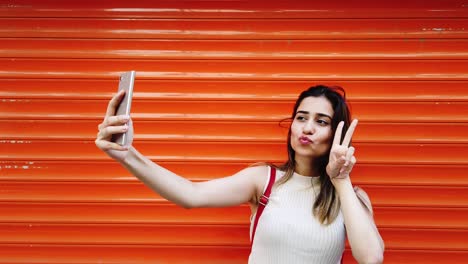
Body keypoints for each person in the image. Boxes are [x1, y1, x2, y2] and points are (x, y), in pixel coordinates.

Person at [95, 85, 384, 264]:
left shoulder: (352, 198)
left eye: (321, 122)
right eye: (301, 117)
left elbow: (370, 257)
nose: (307, 128)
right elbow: (190, 195)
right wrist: (127, 155)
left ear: (337, 135)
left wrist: (341, 180)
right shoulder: (264, 180)